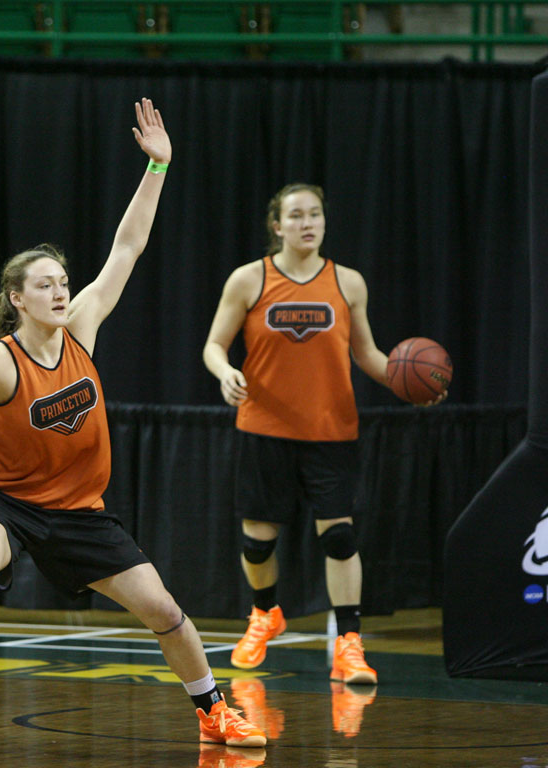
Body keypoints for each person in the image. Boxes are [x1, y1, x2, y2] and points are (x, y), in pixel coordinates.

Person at [0, 99, 266, 755]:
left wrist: (158, 165)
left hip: (79, 510)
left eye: (63, 282)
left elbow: (129, 246)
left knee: (163, 609)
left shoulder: (83, 328)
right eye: (45, 285)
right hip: (1, 498)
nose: (60, 292)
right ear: (17, 298)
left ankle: (213, 709)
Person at [203, 182, 442, 685]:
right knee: (257, 543)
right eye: (296, 215)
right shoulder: (249, 280)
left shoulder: (348, 283)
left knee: (339, 537)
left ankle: (349, 644)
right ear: (277, 225)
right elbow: (213, 345)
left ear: (325, 223)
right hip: (264, 429)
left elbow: (369, 356)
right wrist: (225, 373)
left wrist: (409, 383)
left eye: (315, 215)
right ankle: (264, 613)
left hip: (330, 430)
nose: (306, 223)